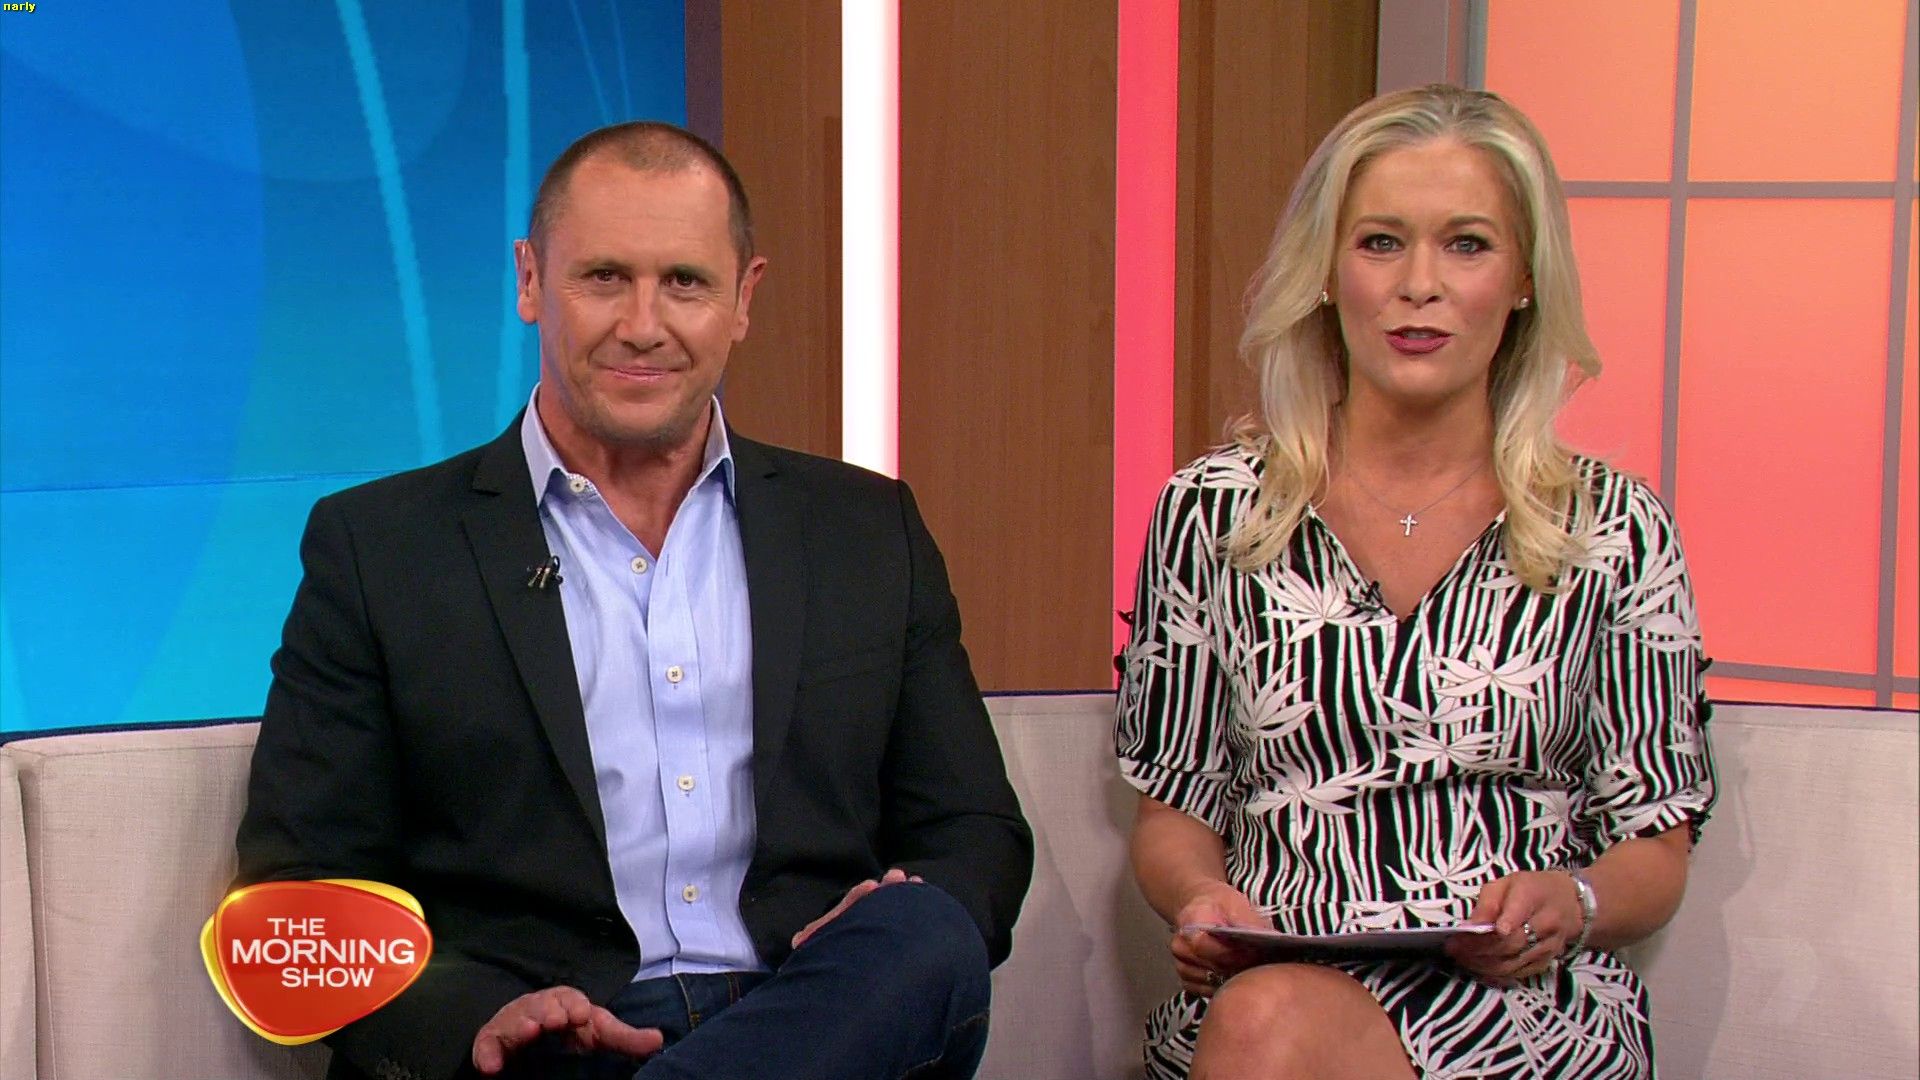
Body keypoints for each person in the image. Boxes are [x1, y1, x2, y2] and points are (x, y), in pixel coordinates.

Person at [236, 121, 1032, 1080]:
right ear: (531, 280)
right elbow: (299, 899)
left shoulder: (865, 529)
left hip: (815, 1012)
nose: (644, 324)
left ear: (744, 298)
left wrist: (898, 900)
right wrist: (481, 1018)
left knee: (923, 932)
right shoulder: (382, 547)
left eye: (685, 282)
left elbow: (975, 832)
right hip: (549, 1046)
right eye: (605, 277)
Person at [1115, 85, 1716, 1080]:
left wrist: (1575, 902)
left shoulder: (1613, 528)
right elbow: (1173, 810)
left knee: (1266, 1033)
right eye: (1381, 243)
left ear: (1524, 280)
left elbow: (1656, 845)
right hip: (1274, 981)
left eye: (1467, 245)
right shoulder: (1214, 514)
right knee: (1265, 1022)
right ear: (1326, 271)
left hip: (1521, 1005)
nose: (1420, 286)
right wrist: (1199, 899)